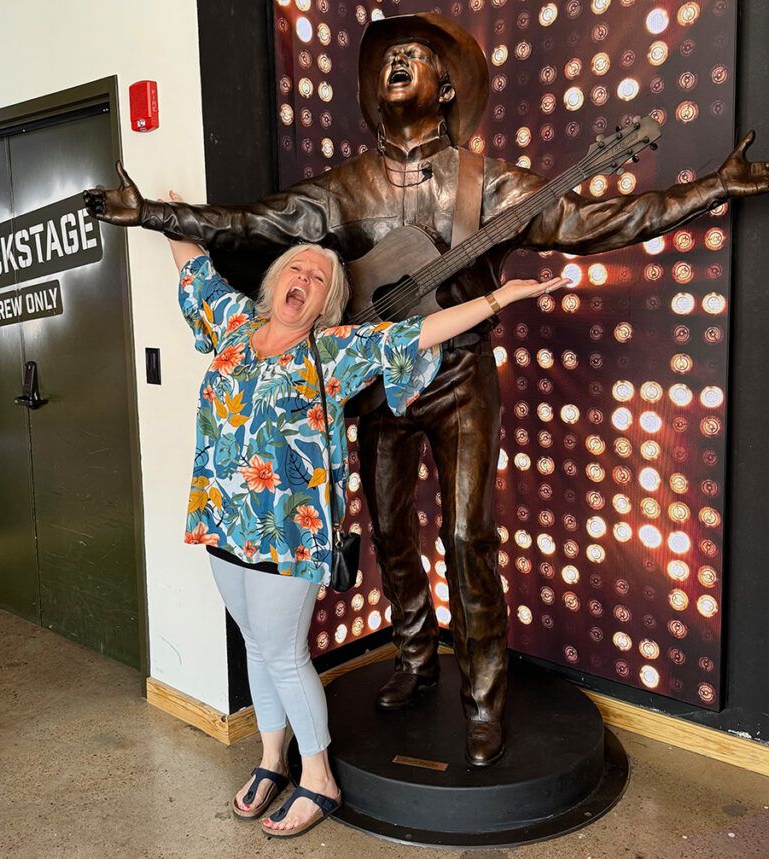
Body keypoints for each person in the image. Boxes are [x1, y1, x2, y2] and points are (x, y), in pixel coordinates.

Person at [86, 13, 769, 767]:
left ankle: (485, 698)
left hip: (457, 374)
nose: (397, 60)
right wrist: (153, 217)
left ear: (449, 84)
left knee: (466, 535)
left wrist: (713, 189)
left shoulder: (488, 180)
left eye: (417, 54)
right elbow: (248, 224)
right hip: (374, 380)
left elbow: (597, 219)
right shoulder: (344, 186)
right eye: (388, 55)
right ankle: (415, 657)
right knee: (391, 533)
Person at [161, 200, 566, 835]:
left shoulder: (335, 351)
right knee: (258, 648)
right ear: (276, 282)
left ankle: (317, 779)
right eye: (297, 269)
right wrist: (159, 216)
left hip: (289, 535)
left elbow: (418, 335)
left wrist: (500, 299)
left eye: (320, 279)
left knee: (283, 652)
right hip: (223, 520)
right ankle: (272, 761)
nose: (305, 280)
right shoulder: (234, 326)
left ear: (328, 302)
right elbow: (192, 269)